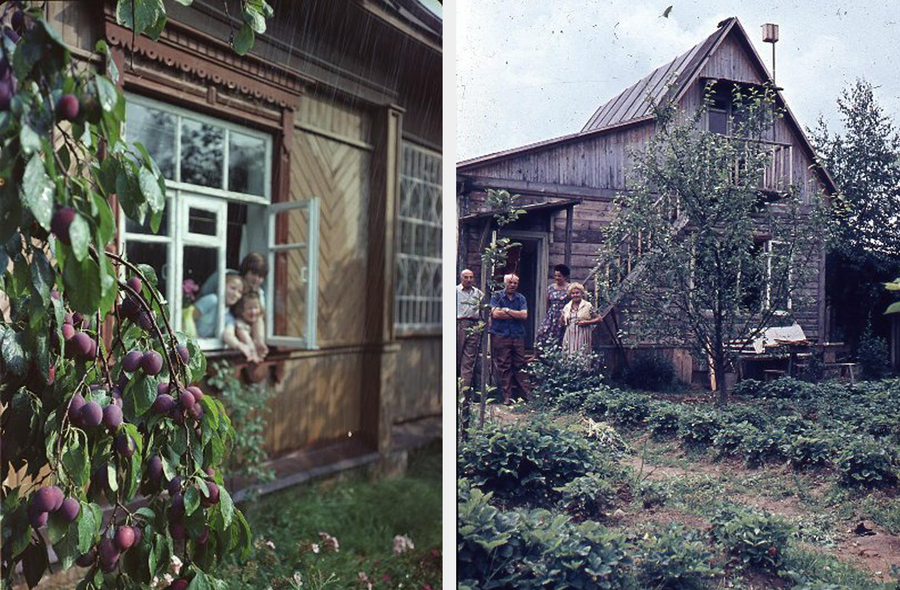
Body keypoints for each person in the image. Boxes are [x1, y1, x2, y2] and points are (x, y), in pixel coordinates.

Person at [490, 273, 531, 404]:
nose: (512, 285)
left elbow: (524, 316)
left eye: (515, 283)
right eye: (510, 282)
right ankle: (507, 396)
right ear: (504, 283)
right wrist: (515, 314)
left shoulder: (521, 298)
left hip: (517, 335)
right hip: (500, 334)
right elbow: (495, 314)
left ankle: (526, 395)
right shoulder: (496, 296)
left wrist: (507, 311)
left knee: (520, 364)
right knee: (504, 365)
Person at [193, 270, 244, 339]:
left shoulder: (229, 317)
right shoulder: (212, 300)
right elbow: (188, 318)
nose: (235, 294)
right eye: (233, 288)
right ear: (222, 286)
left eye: (239, 292)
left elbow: (229, 335)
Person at [457, 269, 484, 391]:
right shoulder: (455, 292)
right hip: (459, 325)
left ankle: (465, 398)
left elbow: (483, 311)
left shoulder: (478, 294)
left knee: (468, 363)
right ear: (461, 278)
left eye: (471, 277)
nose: (468, 280)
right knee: (455, 358)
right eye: (466, 277)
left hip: (473, 326)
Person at [560, 282, 601, 361]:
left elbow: (599, 319)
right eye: (573, 293)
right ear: (570, 295)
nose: (575, 295)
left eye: (577, 293)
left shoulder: (588, 305)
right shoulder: (567, 307)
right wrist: (565, 322)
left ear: (581, 293)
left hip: (583, 333)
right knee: (569, 354)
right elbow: (561, 321)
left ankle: (582, 372)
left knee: (582, 355)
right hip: (570, 334)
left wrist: (586, 322)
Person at [239, 253, 268, 360]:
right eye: (253, 274)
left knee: (258, 316)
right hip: (233, 328)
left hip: (248, 327)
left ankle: (260, 343)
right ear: (245, 271)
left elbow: (260, 315)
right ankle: (252, 350)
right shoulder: (235, 285)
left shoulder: (259, 292)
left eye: (260, 276)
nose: (256, 279)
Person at [536, 264, 571, 349]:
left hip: (563, 316)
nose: (557, 278)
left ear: (565, 276)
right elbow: (548, 303)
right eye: (555, 275)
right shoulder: (550, 288)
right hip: (551, 315)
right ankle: (538, 355)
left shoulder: (570, 288)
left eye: (559, 276)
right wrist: (549, 314)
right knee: (542, 333)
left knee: (560, 337)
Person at [223, 290, 263, 363]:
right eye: (250, 308)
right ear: (241, 311)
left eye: (256, 308)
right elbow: (247, 340)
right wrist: (253, 353)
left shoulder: (257, 321)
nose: (253, 312)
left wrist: (260, 343)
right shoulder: (239, 323)